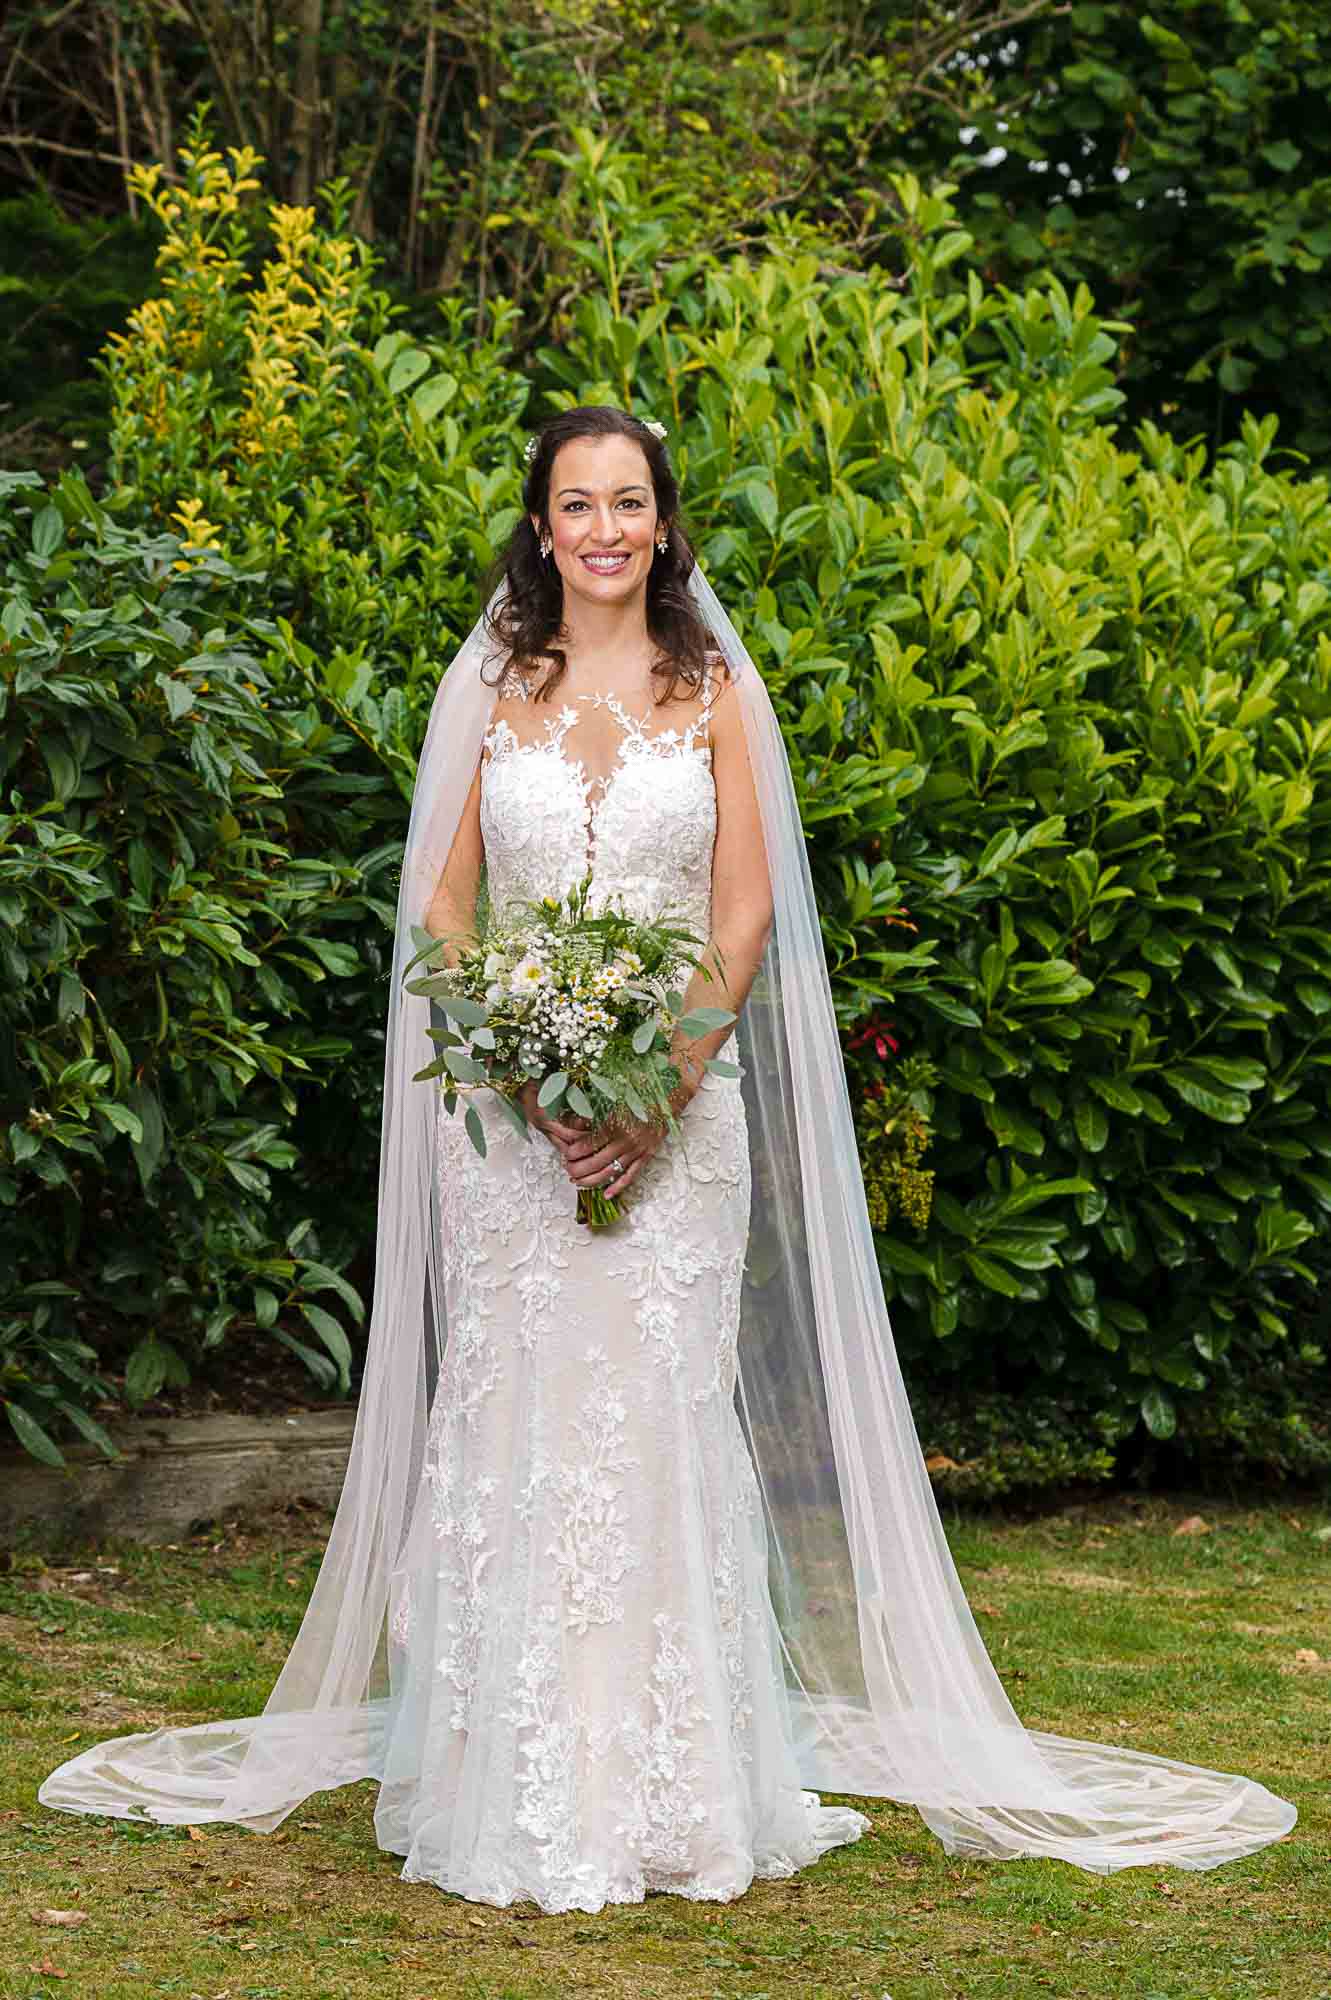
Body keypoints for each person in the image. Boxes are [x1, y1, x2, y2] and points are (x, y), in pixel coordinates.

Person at [38, 405, 1296, 1911]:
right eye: (578, 504)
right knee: (516, 1430)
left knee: (652, 1427)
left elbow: (743, 918)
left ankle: (673, 1790)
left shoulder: (716, 695)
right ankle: (508, 1780)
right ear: (543, 524)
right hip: (505, 1137)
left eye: (629, 501)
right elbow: (442, 912)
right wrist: (521, 1057)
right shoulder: (493, 685)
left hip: (680, 1130)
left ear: (664, 520)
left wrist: (650, 1095)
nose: (606, 530)